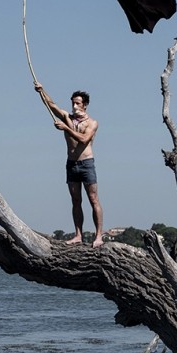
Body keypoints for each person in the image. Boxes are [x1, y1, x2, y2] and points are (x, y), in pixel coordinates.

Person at [35, 82, 104, 247]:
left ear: (85, 105)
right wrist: (41, 91)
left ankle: (99, 236)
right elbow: (51, 105)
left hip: (87, 164)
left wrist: (65, 128)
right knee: (75, 200)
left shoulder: (92, 123)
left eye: (77, 103)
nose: (74, 106)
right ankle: (78, 235)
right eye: (72, 103)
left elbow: (83, 139)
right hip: (71, 164)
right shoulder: (67, 118)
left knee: (93, 199)